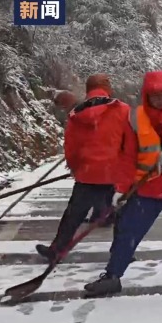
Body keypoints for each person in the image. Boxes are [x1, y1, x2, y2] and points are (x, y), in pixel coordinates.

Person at [83, 70, 162, 296]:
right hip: (147, 191)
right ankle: (112, 277)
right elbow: (127, 158)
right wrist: (120, 189)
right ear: (146, 95)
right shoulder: (134, 118)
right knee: (129, 235)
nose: (159, 99)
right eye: (154, 95)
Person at [36, 74, 132, 261]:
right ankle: (123, 252)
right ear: (108, 88)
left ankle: (57, 250)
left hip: (87, 174)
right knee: (123, 214)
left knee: (73, 215)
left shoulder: (77, 113)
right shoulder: (123, 110)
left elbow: (71, 147)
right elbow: (130, 143)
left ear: (88, 90)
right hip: (114, 173)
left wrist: (75, 167)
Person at [53, 89, 113, 223]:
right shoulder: (94, 110)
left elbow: (73, 142)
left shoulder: (77, 114)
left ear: (65, 104)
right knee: (104, 189)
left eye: (62, 107)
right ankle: (102, 214)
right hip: (106, 158)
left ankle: (104, 214)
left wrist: (74, 164)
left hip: (93, 160)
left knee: (93, 190)